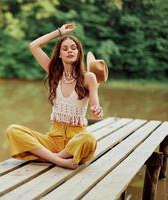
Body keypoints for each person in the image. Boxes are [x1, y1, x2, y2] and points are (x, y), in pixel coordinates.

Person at [6, 23, 108, 169]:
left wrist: (97, 110)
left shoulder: (89, 78)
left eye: (74, 48)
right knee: (13, 130)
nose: (70, 51)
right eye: (65, 48)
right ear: (59, 54)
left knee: (89, 139)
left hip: (76, 139)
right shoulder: (55, 74)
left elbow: (95, 107)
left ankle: (48, 157)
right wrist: (59, 32)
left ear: (79, 53)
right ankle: (60, 160)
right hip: (53, 139)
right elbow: (34, 46)